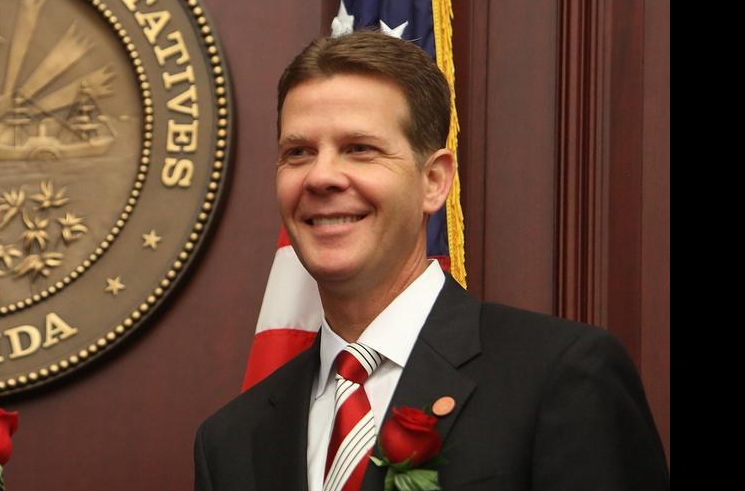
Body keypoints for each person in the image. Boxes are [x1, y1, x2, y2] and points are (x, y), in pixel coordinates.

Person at [194, 31, 668, 491]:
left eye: (359, 149)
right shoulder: (231, 440)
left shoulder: (560, 377)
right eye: (298, 153)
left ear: (434, 181)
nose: (321, 177)